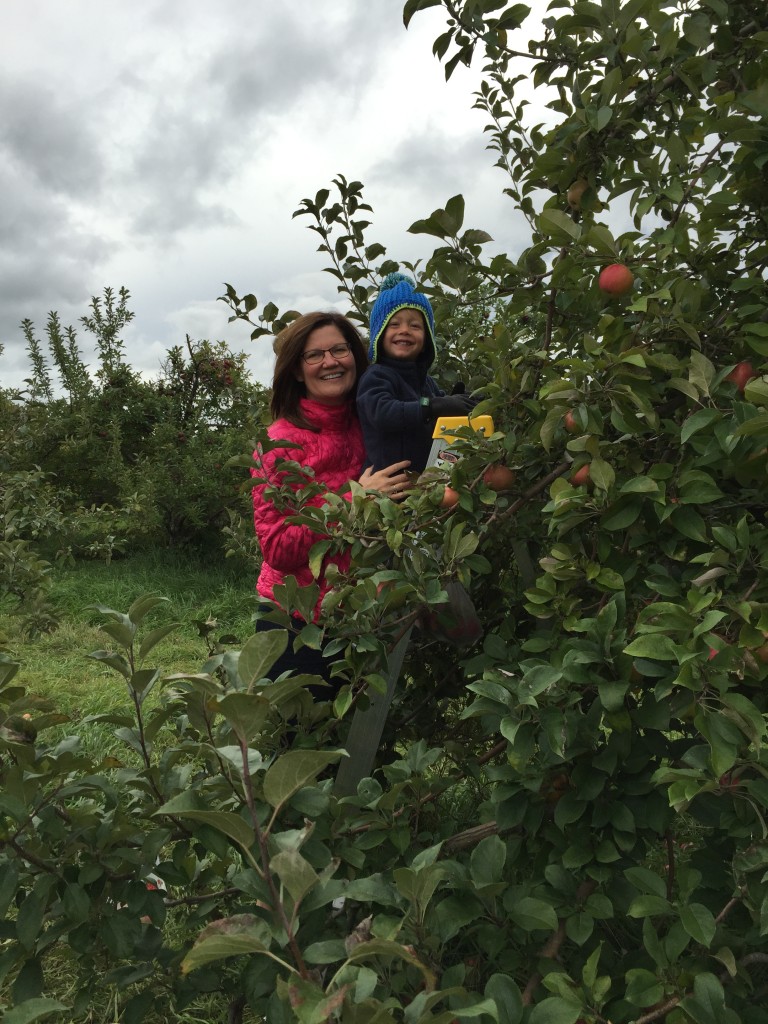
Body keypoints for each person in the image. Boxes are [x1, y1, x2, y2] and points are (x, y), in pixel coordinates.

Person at [251, 311, 411, 689]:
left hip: (367, 617)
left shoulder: (374, 422)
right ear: (295, 369)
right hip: (296, 623)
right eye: (314, 355)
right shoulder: (278, 443)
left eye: (340, 350)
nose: (330, 362)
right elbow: (276, 546)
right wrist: (355, 500)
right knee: (296, 742)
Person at [356, 273, 477, 473]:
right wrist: (434, 406)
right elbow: (382, 412)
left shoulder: (426, 381)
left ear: (426, 340)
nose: (405, 330)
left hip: (423, 485)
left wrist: (453, 402)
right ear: (379, 334)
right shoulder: (376, 376)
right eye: (394, 324)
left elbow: (435, 411)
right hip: (388, 488)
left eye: (415, 325)